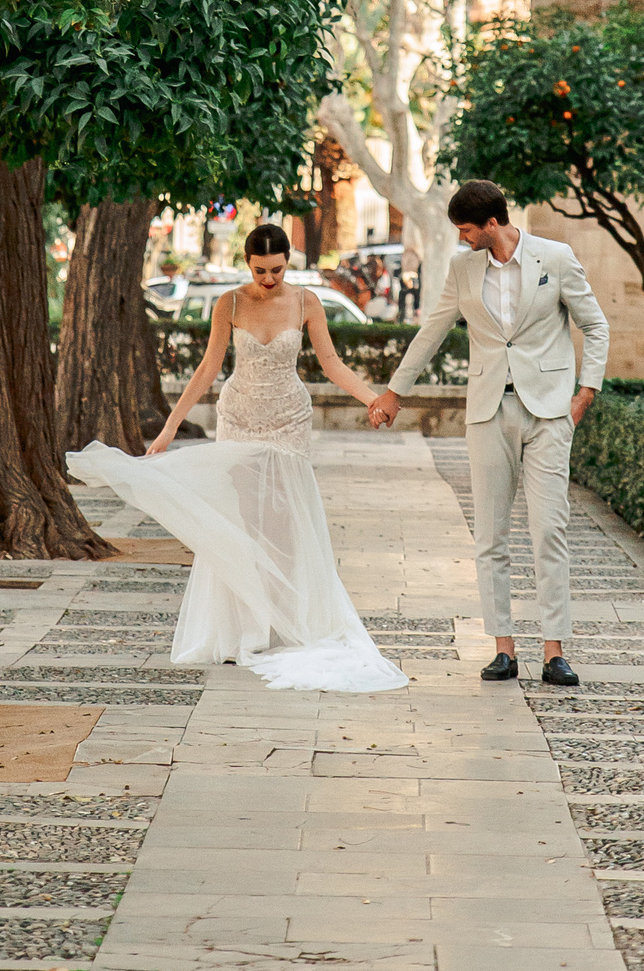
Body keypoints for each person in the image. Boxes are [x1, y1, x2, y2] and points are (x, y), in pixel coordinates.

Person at [67, 223, 406, 693]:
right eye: (261, 270)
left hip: (288, 419)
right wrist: (168, 429)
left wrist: (372, 399)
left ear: (290, 262)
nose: (269, 279)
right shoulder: (229, 303)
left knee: (286, 522)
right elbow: (208, 368)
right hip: (241, 417)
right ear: (247, 263)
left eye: (278, 270)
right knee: (244, 520)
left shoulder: (307, 302)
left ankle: (287, 624)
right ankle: (246, 628)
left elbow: (330, 364)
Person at [368, 180, 608, 688]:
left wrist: (586, 391)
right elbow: (432, 329)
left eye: (467, 230)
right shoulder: (463, 269)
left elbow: (596, 325)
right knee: (491, 536)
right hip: (488, 412)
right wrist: (394, 392)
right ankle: (502, 648)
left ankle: (555, 652)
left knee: (550, 530)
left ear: (492, 223)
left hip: (548, 414)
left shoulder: (556, 258)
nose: (462, 240)